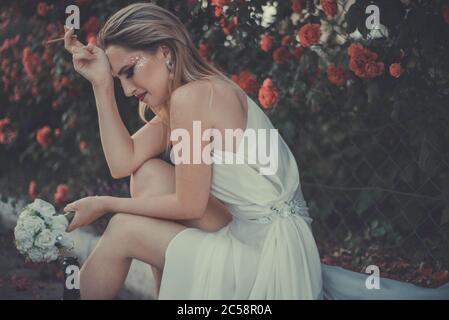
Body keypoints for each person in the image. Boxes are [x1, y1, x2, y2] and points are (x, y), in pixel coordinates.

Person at [63, 2, 449, 300]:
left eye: (128, 71)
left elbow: (190, 206)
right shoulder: (187, 99)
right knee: (146, 174)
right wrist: (100, 84)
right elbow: (122, 162)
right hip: (258, 241)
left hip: (273, 263)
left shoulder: (194, 97)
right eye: (119, 80)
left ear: (165, 51)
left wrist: (106, 204)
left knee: (123, 228)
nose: (127, 90)